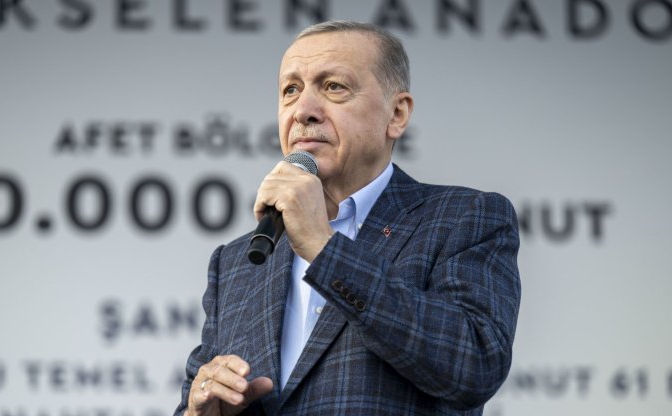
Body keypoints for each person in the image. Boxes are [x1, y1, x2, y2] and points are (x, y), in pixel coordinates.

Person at [174, 20, 520, 416]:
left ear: (397, 113)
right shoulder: (237, 262)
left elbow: (474, 365)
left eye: (333, 86)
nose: (303, 110)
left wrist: (323, 249)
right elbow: (192, 400)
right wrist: (200, 411)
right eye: (290, 90)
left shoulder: (463, 218)